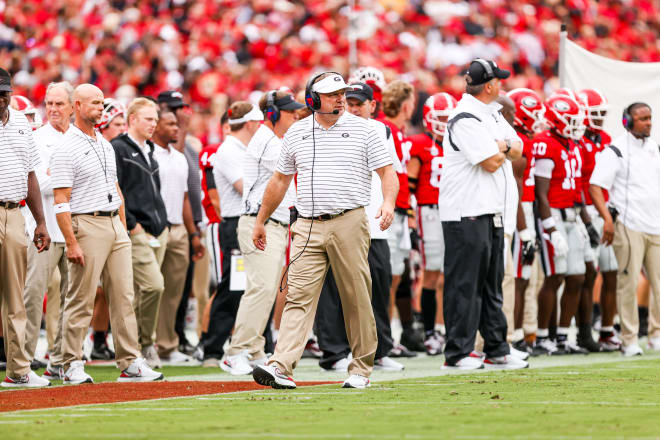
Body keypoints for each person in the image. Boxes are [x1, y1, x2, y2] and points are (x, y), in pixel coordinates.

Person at [251, 71, 398, 389]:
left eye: (341, 93)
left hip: (350, 221)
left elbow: (387, 172)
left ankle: (360, 369)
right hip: (307, 224)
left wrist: (388, 203)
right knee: (298, 296)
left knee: (356, 296)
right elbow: (280, 180)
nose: (340, 98)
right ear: (312, 100)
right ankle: (281, 365)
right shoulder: (297, 132)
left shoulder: (366, 130)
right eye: (332, 94)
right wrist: (261, 219)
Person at [51, 84, 163, 384]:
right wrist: (71, 242)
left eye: (102, 103)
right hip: (86, 223)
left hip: (114, 224)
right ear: (77, 105)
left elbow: (115, 188)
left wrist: (122, 227)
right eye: (94, 103)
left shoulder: (103, 142)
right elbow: (61, 199)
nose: (100, 108)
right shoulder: (66, 146)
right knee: (81, 297)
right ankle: (71, 362)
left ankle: (130, 361)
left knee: (124, 296)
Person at [437, 59, 526, 370]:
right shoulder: (464, 117)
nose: (501, 84)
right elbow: (490, 161)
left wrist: (500, 146)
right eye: (498, 80)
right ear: (489, 85)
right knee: (465, 285)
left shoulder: (493, 113)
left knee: (491, 284)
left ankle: (497, 347)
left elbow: (519, 149)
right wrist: (502, 146)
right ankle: (458, 352)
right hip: (466, 211)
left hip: (490, 209)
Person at [313, 82, 405, 373]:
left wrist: (391, 204)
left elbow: (391, 172)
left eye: (357, 103)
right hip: (341, 220)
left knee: (377, 286)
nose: (351, 108)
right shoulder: (329, 129)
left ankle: (378, 350)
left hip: (375, 222)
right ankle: (334, 351)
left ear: (372, 106)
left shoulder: (382, 131)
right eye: (348, 102)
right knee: (336, 289)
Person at [219, 90, 303, 375]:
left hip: (272, 223)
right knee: (260, 288)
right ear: (273, 114)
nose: (296, 117)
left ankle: (253, 349)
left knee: (266, 289)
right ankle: (236, 350)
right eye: (291, 113)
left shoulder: (272, 139)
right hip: (260, 222)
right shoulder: (268, 142)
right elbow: (294, 171)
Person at [589, 102, 660, 356]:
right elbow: (596, 185)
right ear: (627, 122)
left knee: (658, 283)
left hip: (655, 225)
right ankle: (629, 338)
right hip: (629, 224)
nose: (648, 122)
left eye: (650, 118)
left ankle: (656, 333)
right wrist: (607, 219)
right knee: (627, 283)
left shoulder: (654, 148)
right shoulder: (616, 150)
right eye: (642, 119)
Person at [0, 67, 51, 388]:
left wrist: (41, 221)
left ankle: (18, 370)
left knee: (15, 296)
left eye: (5, 91)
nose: (2, 97)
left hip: (14, 212)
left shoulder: (20, 122)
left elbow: (31, 173)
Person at [18, 84, 73, 378]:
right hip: (43, 228)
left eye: (59, 104)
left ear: (72, 106)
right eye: (49, 103)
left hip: (74, 230)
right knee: (33, 294)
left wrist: (59, 178)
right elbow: (37, 185)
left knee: (72, 298)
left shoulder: (81, 139)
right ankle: (22, 363)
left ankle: (61, 359)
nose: (53, 109)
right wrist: (67, 179)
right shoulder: (36, 138)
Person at [201, 101, 262, 366]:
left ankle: (250, 344)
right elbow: (245, 187)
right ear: (249, 124)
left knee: (250, 285)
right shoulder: (228, 150)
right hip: (236, 223)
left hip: (246, 221)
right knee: (233, 286)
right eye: (257, 123)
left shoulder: (242, 148)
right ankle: (213, 347)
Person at [112, 97, 169, 368]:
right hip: (137, 230)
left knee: (141, 290)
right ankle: (144, 344)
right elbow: (118, 190)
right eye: (149, 118)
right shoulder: (118, 148)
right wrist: (133, 225)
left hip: (157, 230)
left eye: (156, 119)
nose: (154, 124)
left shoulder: (150, 149)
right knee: (153, 286)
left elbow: (154, 192)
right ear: (132, 119)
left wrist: (162, 225)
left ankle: (133, 349)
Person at [533, 92, 591, 355]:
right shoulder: (545, 143)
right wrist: (550, 227)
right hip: (553, 213)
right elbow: (541, 193)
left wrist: (584, 219)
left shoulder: (574, 144)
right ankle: (543, 336)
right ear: (556, 119)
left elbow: (577, 186)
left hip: (571, 213)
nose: (577, 125)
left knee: (577, 275)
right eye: (571, 120)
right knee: (554, 276)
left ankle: (563, 336)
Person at [152, 107, 204, 364]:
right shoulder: (149, 154)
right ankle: (145, 343)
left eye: (176, 124)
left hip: (179, 228)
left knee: (174, 292)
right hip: (155, 227)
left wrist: (193, 233)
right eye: (170, 123)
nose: (175, 127)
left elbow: (185, 198)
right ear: (156, 126)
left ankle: (167, 344)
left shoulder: (179, 157)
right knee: (150, 289)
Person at [407, 92, 457, 356]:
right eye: (441, 118)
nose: (445, 122)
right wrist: (413, 217)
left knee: (451, 272)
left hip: (453, 211)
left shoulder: (458, 143)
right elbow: (412, 184)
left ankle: (446, 326)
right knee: (432, 271)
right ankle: (428, 331)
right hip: (429, 211)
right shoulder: (420, 144)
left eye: (449, 117)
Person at [380, 80, 424, 353]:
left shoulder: (397, 131)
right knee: (390, 278)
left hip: (399, 210)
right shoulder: (389, 131)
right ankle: (385, 338)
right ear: (406, 105)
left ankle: (391, 335)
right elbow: (394, 177)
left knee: (398, 276)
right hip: (392, 212)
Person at [577, 88, 620, 352]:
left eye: (603, 113)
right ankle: (583, 331)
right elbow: (579, 183)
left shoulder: (606, 138)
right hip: (584, 211)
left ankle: (606, 328)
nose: (600, 118)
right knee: (586, 274)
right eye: (596, 113)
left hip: (604, 210)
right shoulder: (575, 140)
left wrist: (610, 210)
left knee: (611, 271)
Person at [506, 87, 546, 355]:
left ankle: (522, 332)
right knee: (519, 277)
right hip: (519, 211)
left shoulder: (525, 140)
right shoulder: (517, 143)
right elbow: (518, 190)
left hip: (526, 209)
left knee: (526, 277)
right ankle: (514, 334)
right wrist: (525, 229)